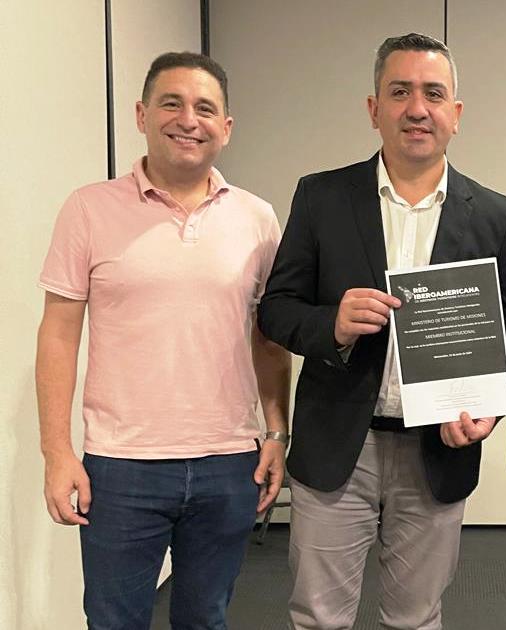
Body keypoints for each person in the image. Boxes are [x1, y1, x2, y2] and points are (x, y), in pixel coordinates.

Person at [256, 33, 506, 630]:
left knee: (415, 619)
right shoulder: (322, 196)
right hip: (339, 444)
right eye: (400, 91)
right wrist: (330, 324)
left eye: (433, 94)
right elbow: (275, 310)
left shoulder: (492, 214)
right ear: (373, 108)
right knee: (318, 618)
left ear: (455, 113)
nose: (417, 108)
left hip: (438, 448)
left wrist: (489, 407)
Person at [36, 51, 291, 629]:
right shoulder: (89, 209)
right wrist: (57, 452)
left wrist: (276, 432)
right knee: (113, 622)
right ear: (141, 114)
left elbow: (269, 338)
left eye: (205, 108)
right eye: (171, 103)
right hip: (121, 467)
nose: (188, 120)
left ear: (226, 127)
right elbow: (57, 335)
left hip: (229, 462)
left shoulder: (257, 218)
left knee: (205, 620)